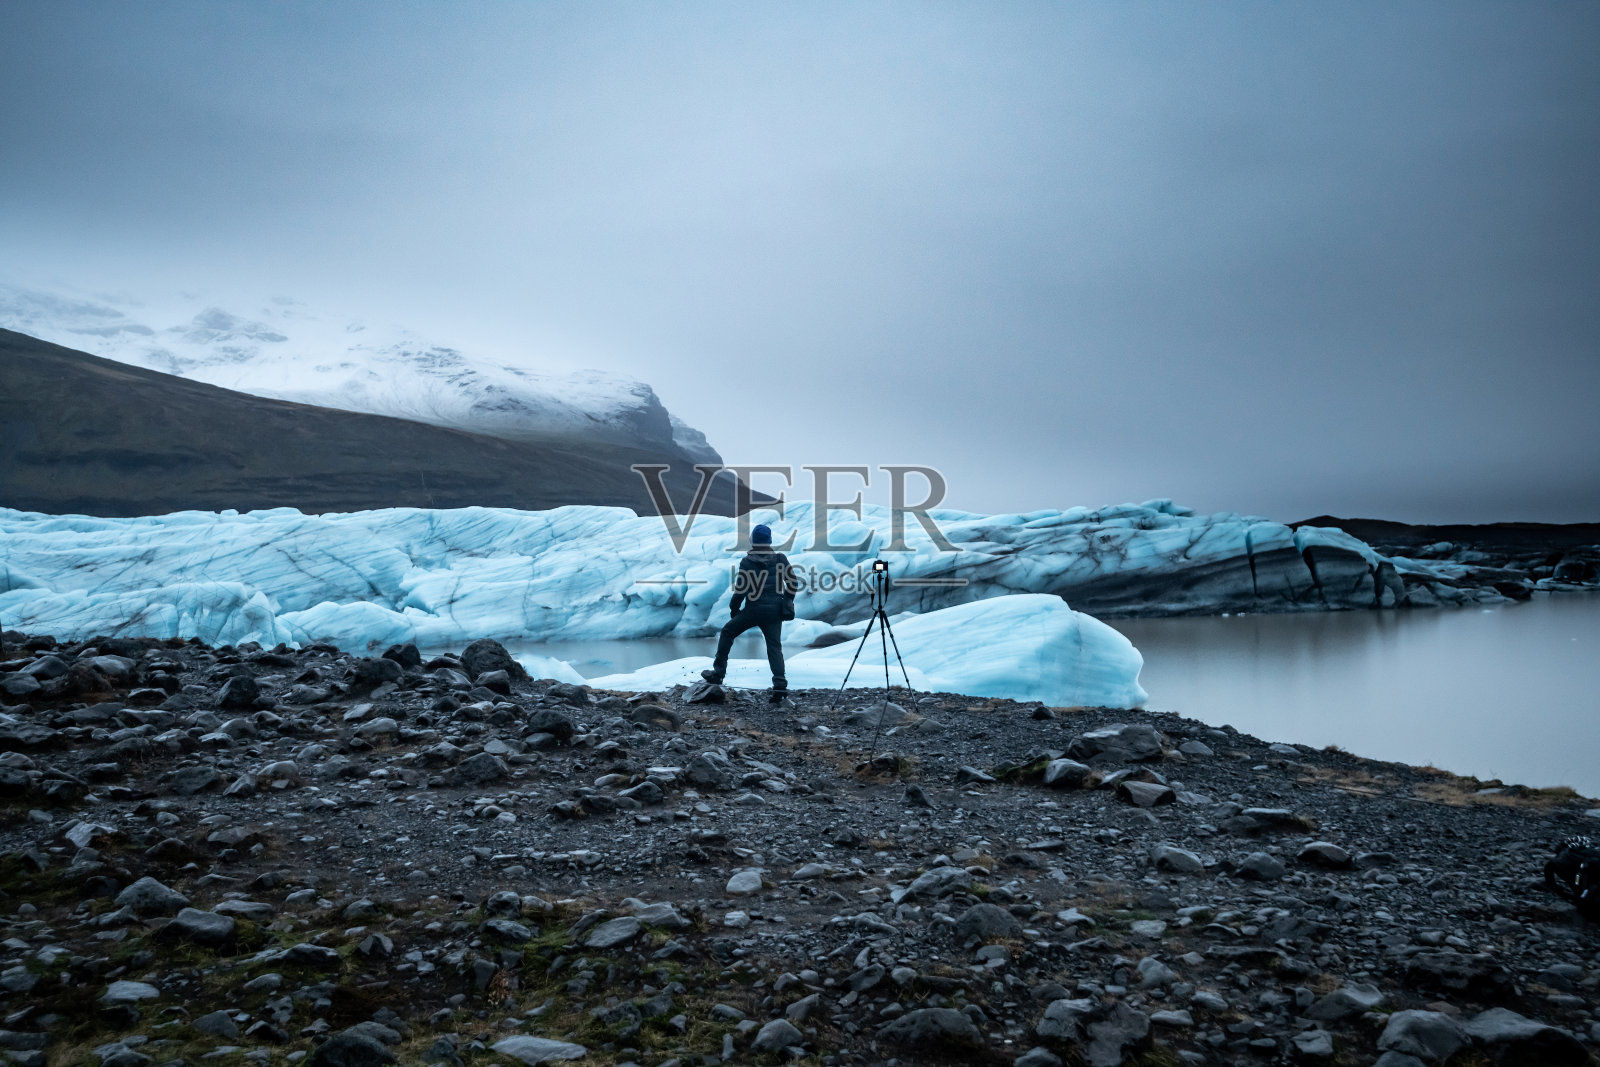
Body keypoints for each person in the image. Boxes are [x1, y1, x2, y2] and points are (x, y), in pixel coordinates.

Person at [702, 523, 797, 702]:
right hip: (774, 611)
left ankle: (718, 673)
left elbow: (741, 589)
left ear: (753, 541)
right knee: (774, 647)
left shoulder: (747, 562)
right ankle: (780, 687)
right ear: (769, 541)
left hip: (753, 609)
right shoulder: (780, 559)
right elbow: (793, 583)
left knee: (728, 632)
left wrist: (734, 609)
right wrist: (787, 600)